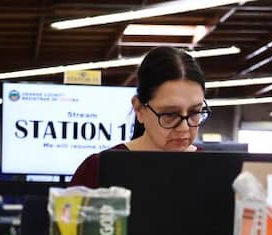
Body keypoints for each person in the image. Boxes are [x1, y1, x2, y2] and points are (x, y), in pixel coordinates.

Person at [68, 46, 210, 188]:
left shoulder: (212, 170)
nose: (184, 128)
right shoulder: (98, 170)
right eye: (170, 114)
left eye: (194, 112)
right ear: (139, 109)